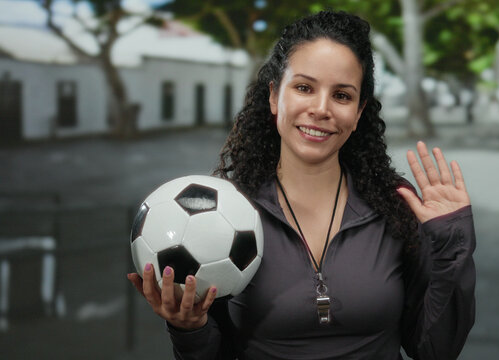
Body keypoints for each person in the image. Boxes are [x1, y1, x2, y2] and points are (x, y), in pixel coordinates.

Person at [128, 10, 476, 360]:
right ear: (275, 96)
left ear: (358, 113)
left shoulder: (396, 205)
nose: (321, 109)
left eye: (342, 95)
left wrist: (453, 245)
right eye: (304, 88)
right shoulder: (226, 214)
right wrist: (189, 330)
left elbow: (435, 350)